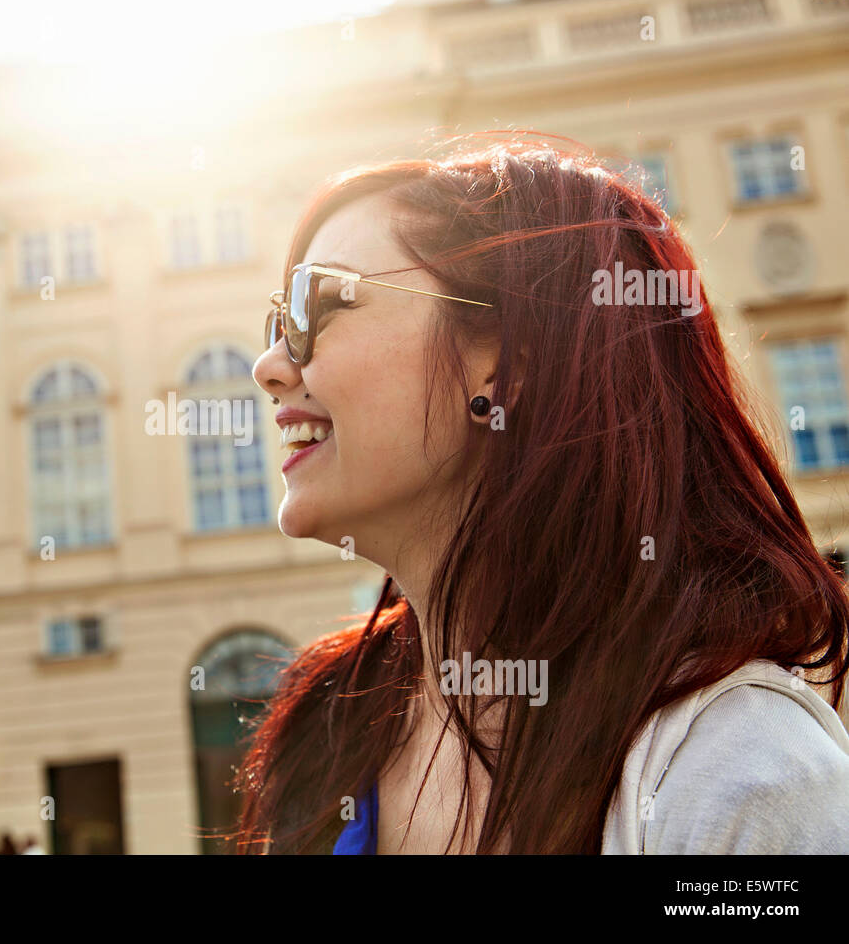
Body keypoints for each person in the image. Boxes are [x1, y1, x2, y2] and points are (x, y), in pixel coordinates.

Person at [235, 134, 849, 854]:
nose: (269, 365)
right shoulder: (322, 732)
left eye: (318, 303)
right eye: (279, 321)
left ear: (509, 369)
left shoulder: (739, 779)